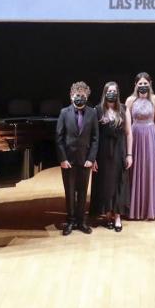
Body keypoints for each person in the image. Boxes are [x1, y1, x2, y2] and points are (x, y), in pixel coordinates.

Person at [56, 81, 99, 235]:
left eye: (82, 95)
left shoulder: (92, 113)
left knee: (82, 192)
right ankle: (70, 221)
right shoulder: (64, 113)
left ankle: (81, 221)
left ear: (86, 96)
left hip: (85, 160)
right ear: (71, 96)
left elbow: (95, 138)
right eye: (77, 95)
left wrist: (91, 158)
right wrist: (63, 158)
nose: (79, 97)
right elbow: (59, 138)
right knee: (70, 191)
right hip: (68, 160)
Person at [89, 82, 130, 231]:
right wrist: (92, 158)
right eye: (109, 91)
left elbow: (128, 133)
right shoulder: (97, 110)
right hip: (103, 153)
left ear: (118, 93)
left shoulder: (124, 109)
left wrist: (129, 154)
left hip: (119, 151)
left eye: (114, 91)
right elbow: (94, 136)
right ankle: (107, 215)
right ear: (105, 93)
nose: (112, 93)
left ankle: (117, 216)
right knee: (106, 185)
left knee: (119, 183)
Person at [127, 73, 155, 221]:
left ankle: (151, 207)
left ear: (150, 83)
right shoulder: (130, 100)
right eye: (140, 83)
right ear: (135, 84)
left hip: (151, 135)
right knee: (136, 170)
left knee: (151, 169)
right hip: (136, 134)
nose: (143, 85)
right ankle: (135, 208)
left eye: (145, 83)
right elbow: (127, 122)